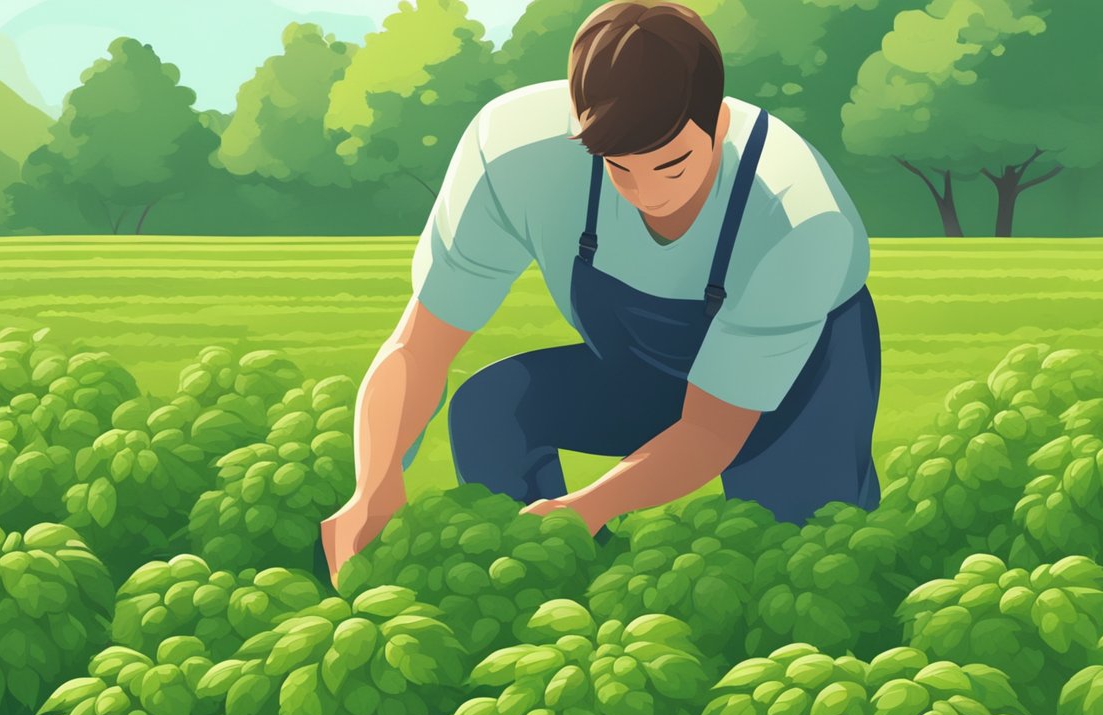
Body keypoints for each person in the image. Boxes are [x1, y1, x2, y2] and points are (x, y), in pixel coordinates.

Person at [320, 1, 882, 585]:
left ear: (718, 124)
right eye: (620, 168)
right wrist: (374, 486)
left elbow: (713, 430)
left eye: (672, 165)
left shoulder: (797, 217)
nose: (649, 195)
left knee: (803, 563)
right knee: (492, 411)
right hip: (642, 367)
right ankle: (555, 596)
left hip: (798, 383)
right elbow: (421, 344)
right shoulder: (512, 154)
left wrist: (586, 507)